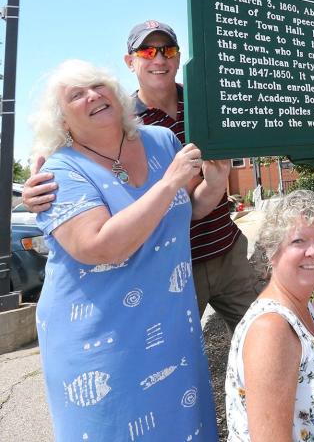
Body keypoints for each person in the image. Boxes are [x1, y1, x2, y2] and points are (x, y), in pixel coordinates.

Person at [23, 20, 259, 331]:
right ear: (130, 61)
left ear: (177, 56)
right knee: (176, 349)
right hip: (171, 264)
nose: (159, 59)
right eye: (147, 51)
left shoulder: (205, 105)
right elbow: (77, 156)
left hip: (226, 251)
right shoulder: (121, 121)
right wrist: (39, 184)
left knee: (264, 336)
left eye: (168, 50)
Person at [31, 60, 222, 440]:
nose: (93, 95)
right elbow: (100, 247)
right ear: (62, 120)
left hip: (171, 326)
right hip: (102, 342)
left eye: (98, 85)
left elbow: (184, 213)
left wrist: (215, 182)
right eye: (76, 94)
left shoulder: (161, 141)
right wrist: (168, 183)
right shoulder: (60, 172)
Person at [225, 190, 314, 441]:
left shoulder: (299, 305)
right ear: (272, 251)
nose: (313, 251)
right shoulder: (271, 330)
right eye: (298, 241)